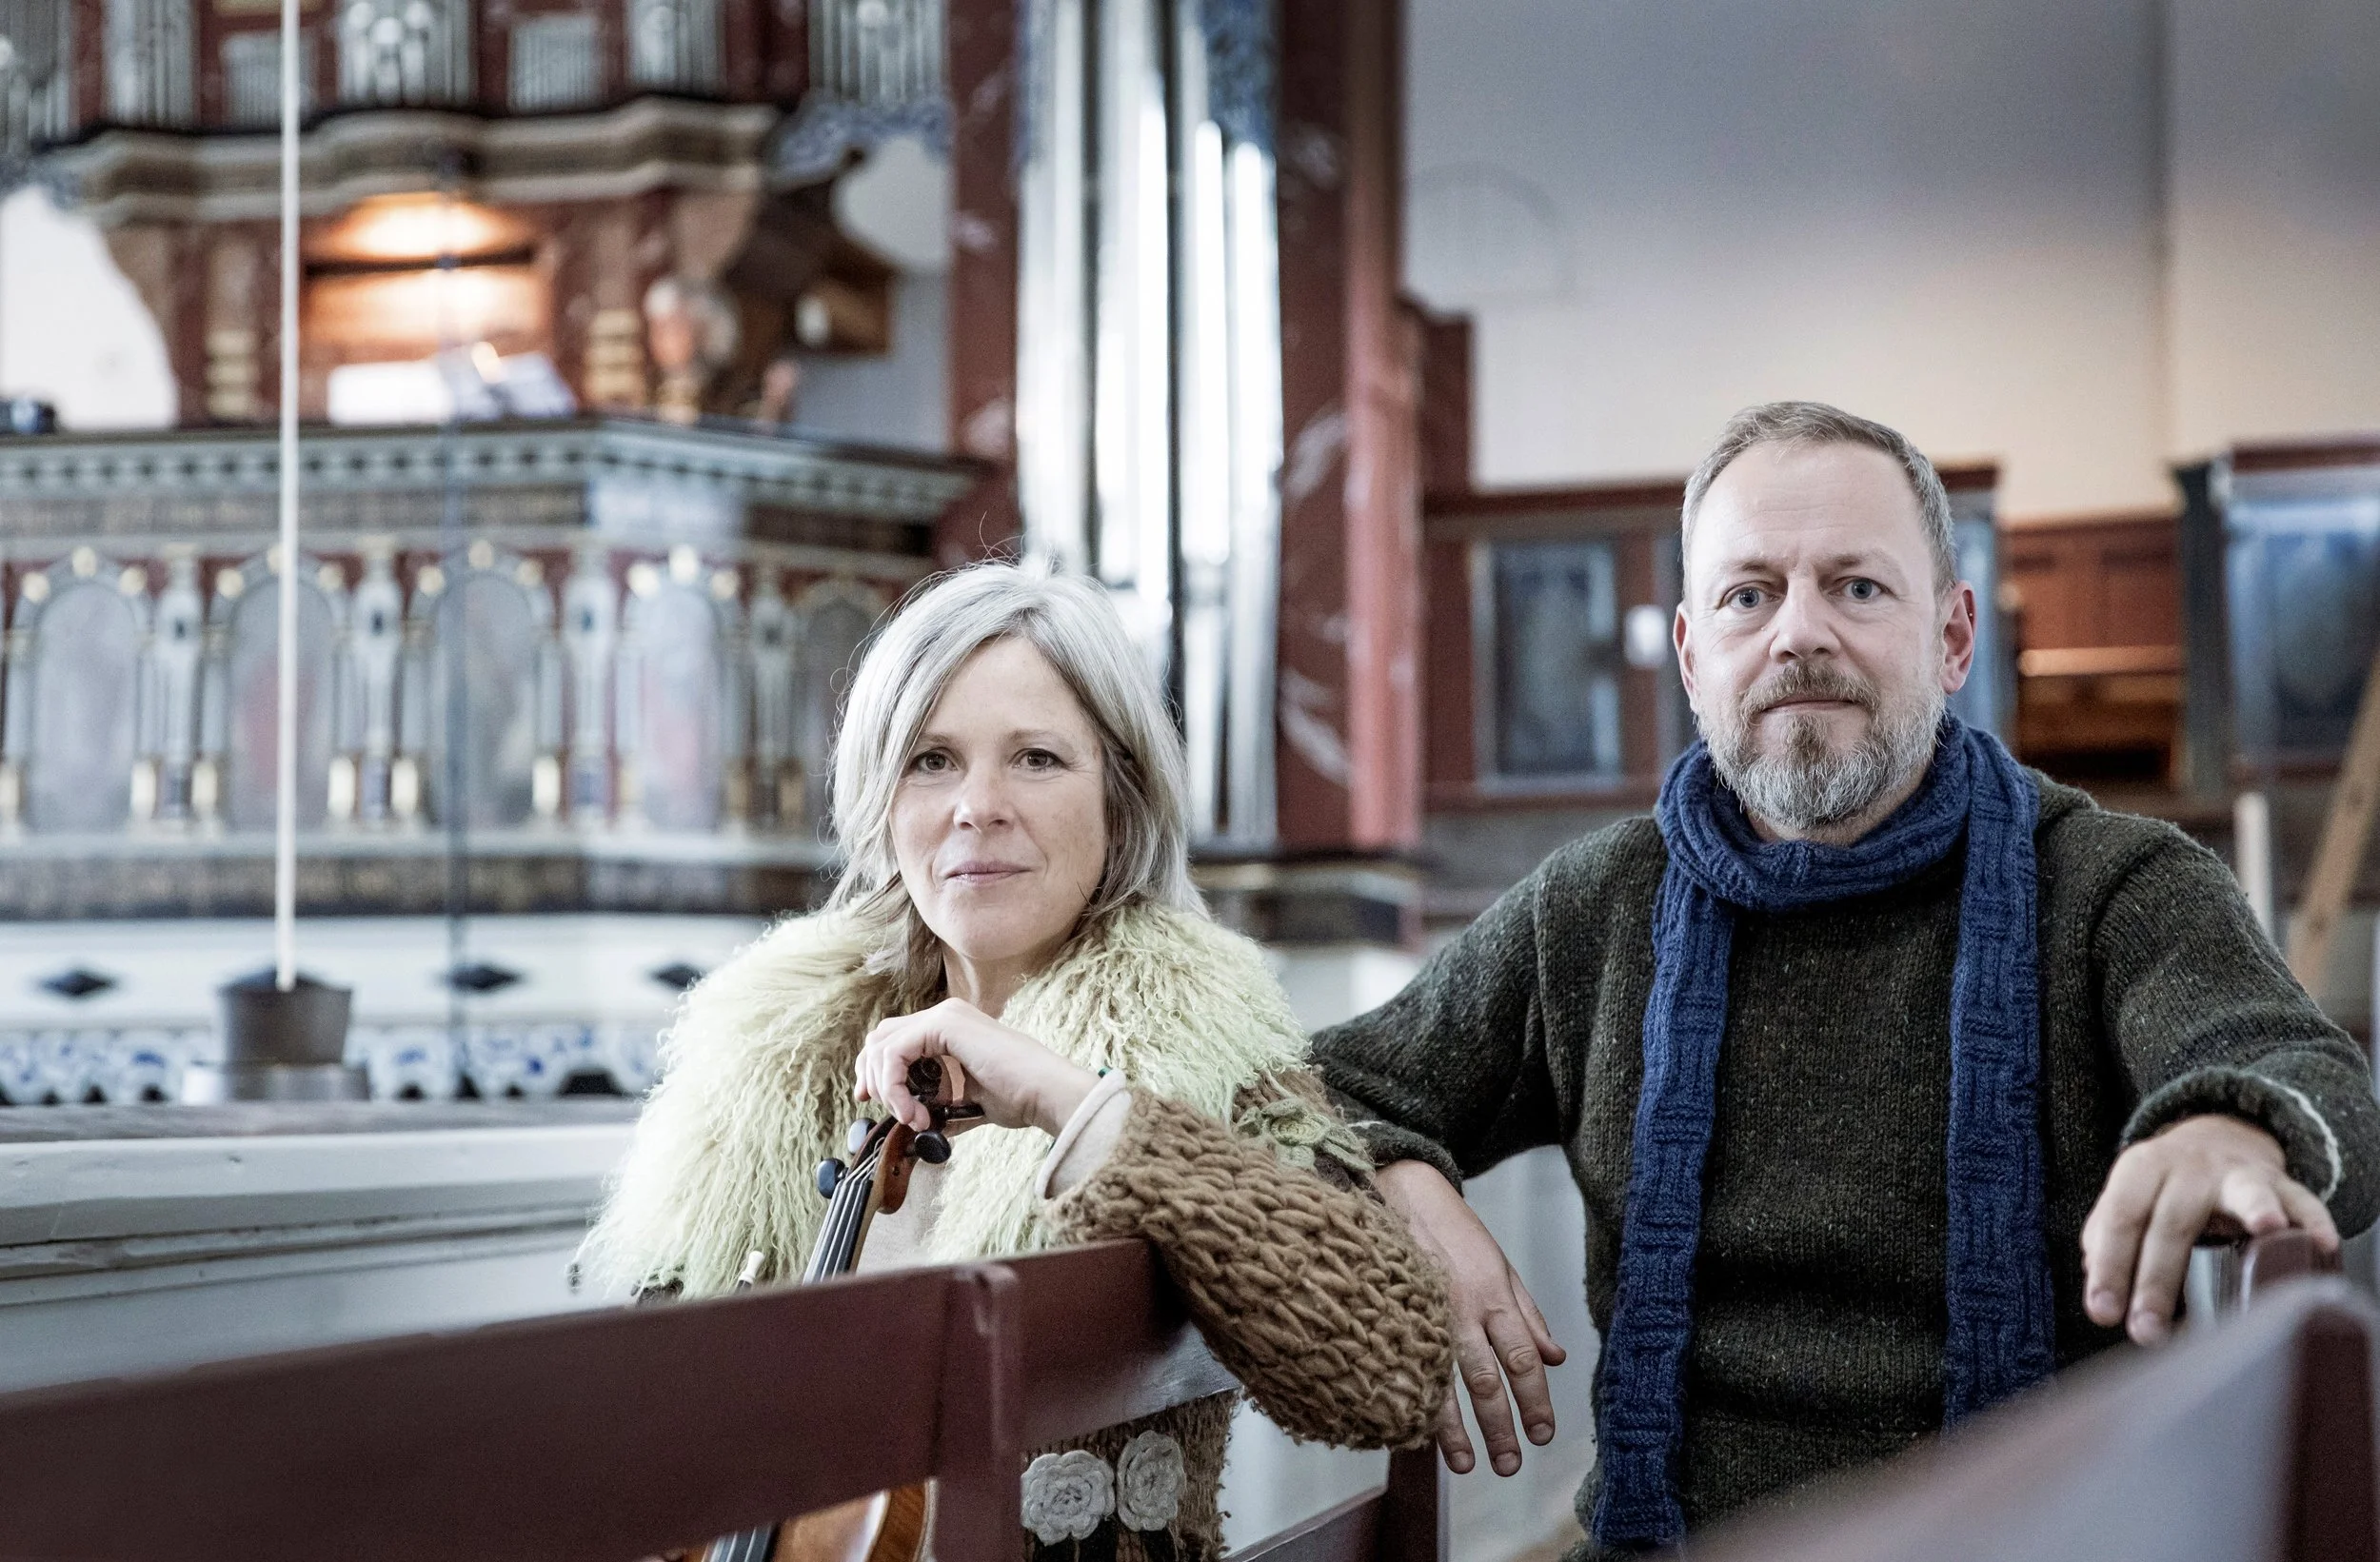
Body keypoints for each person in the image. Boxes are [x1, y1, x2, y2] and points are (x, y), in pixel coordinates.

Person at [1314, 401, 2380, 1556]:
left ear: (1953, 637)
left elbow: (2312, 1081)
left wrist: (2231, 1125)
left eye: (1857, 588)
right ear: (1690, 653)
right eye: (1748, 594)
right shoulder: (1592, 907)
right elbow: (1304, 1091)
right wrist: (1399, 1178)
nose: (1798, 635)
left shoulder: (2115, 885)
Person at [583, 564, 1451, 1562]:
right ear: (881, 798)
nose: (977, 807)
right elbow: (655, 1441)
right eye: (931, 760)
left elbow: (1391, 1365)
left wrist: (1065, 1098)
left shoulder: (1202, 1040)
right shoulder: (768, 1064)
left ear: (1119, 799)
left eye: (1035, 758)